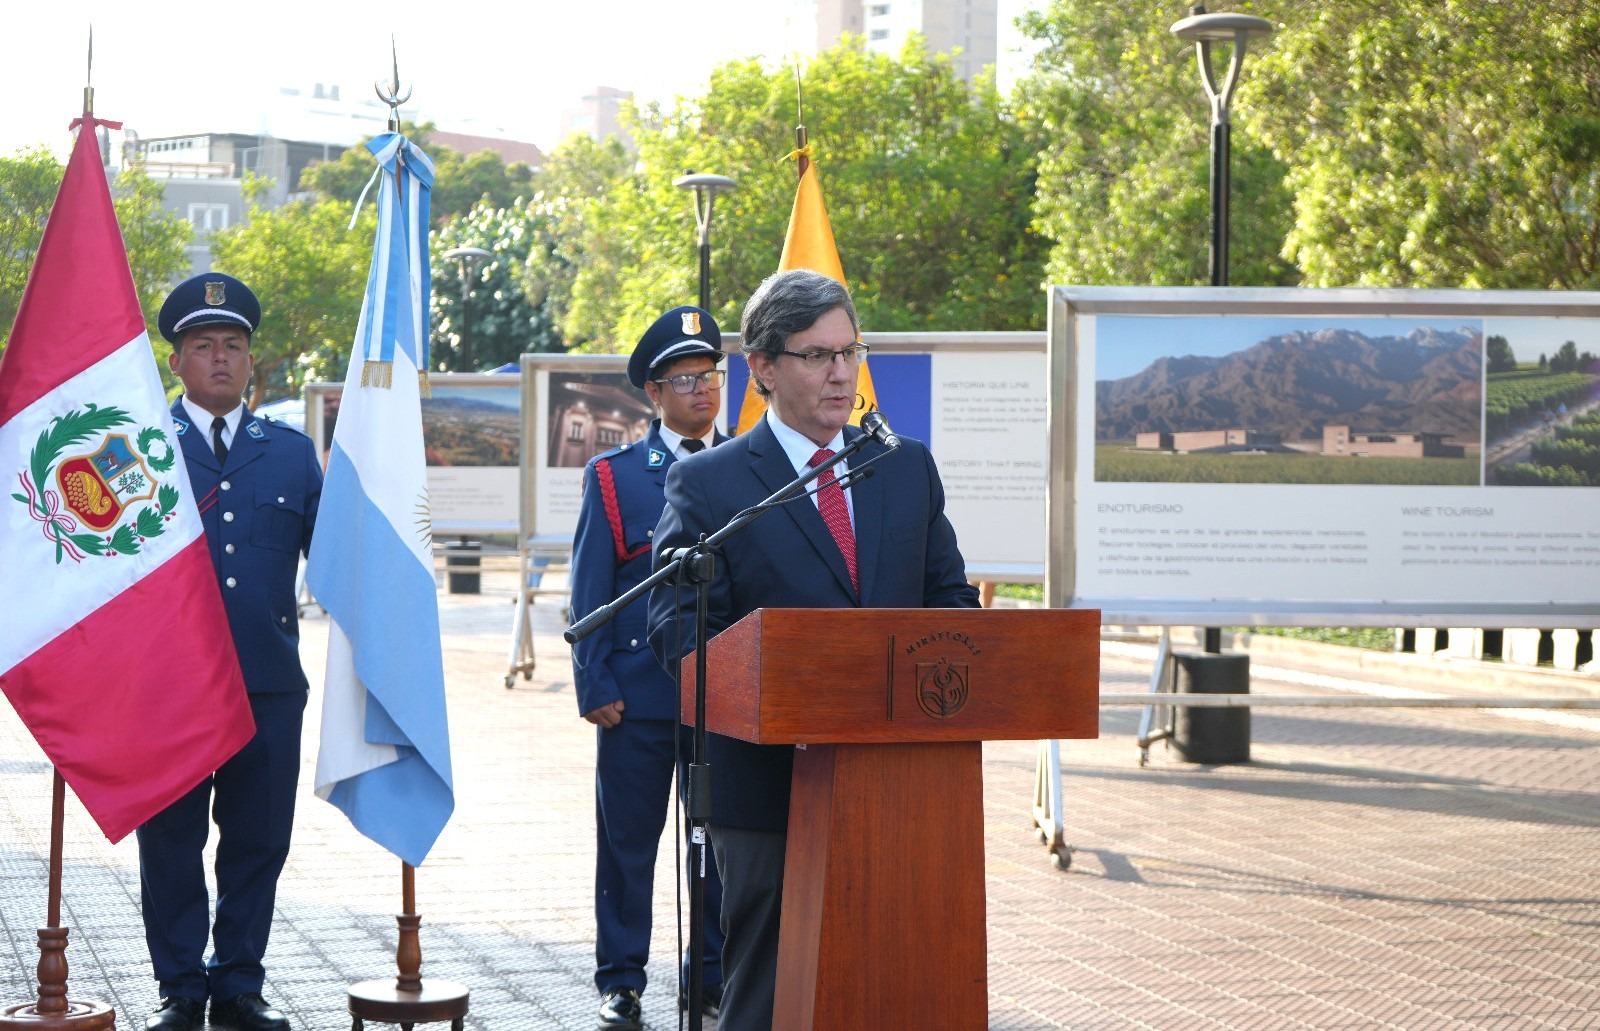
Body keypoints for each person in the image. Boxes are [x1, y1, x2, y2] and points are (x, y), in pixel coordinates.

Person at [645, 270, 980, 1031]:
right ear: (763, 367)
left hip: (899, 783)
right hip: (767, 788)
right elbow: (679, 630)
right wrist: (789, 687)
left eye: (849, 351)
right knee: (768, 993)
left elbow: (952, 602)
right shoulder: (710, 484)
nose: (840, 373)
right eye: (818, 355)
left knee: (891, 985)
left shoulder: (904, 466)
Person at [138, 273, 322, 1031]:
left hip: (266, 683)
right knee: (171, 841)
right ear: (175, 361)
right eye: (203, 345)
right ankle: (181, 987)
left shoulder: (291, 454)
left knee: (258, 839)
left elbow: (332, 560)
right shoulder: (141, 447)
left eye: (233, 345)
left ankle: (239, 982)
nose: (220, 357)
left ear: (252, 361)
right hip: (169, 687)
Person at [569, 306, 730, 1031]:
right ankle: (622, 980)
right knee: (628, 844)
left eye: (711, 375)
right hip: (635, 697)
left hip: (723, 694)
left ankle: (712, 978)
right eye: (686, 379)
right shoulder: (616, 476)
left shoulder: (747, 467)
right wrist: (594, 682)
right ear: (655, 393)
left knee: (719, 844)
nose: (703, 390)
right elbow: (590, 586)